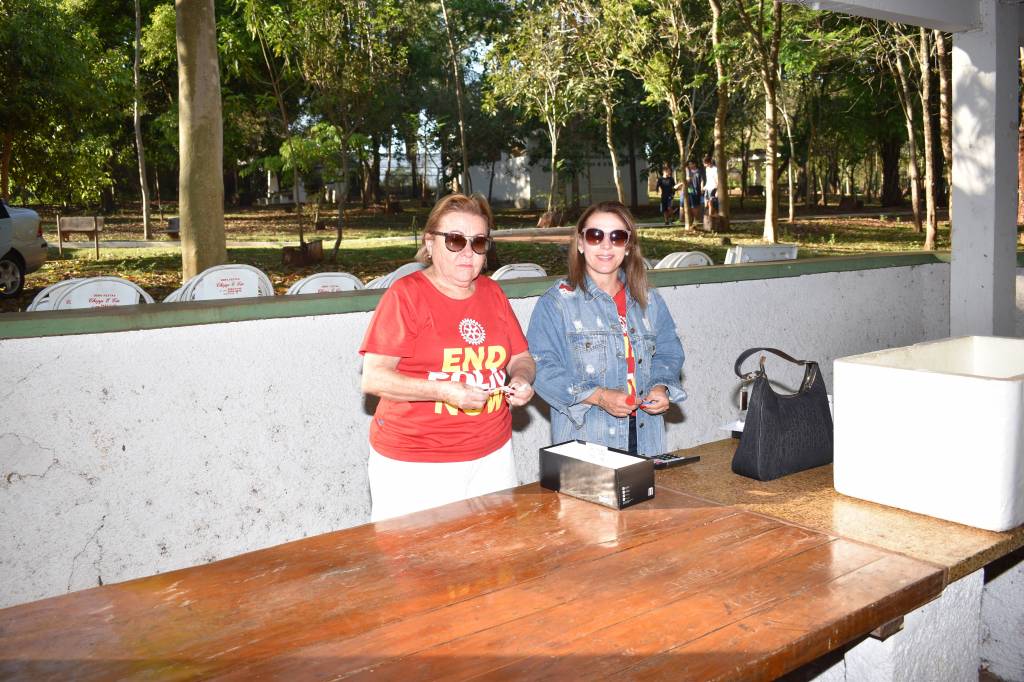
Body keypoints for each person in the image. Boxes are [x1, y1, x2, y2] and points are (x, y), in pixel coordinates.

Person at [359, 193, 536, 522]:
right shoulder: (406, 295)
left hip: (493, 453)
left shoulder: (493, 293)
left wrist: (522, 379)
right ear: (430, 243)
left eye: (478, 242)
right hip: (418, 460)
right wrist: (444, 391)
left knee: (493, 549)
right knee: (421, 554)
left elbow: (520, 356)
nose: (468, 252)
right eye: (455, 240)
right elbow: (374, 378)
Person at [527, 201, 686, 456]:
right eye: (595, 235)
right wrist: (598, 396)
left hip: (645, 435)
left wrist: (660, 386)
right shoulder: (557, 302)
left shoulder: (649, 300)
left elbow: (668, 352)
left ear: (628, 246)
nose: (606, 245)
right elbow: (540, 367)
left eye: (617, 237)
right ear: (580, 243)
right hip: (586, 438)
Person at [702, 155, 719, 226]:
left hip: (713, 188)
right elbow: (708, 179)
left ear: (708, 162)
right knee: (706, 204)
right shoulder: (707, 169)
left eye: (705, 163)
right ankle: (714, 215)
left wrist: (717, 190)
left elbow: (717, 180)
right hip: (708, 188)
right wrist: (705, 186)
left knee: (711, 203)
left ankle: (710, 218)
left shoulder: (715, 169)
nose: (704, 165)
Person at [685, 159, 703, 225]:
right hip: (690, 190)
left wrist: (701, 188)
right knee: (692, 205)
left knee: (697, 205)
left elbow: (702, 180)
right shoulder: (688, 172)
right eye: (689, 164)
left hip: (698, 190)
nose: (689, 165)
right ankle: (693, 219)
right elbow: (687, 181)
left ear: (694, 164)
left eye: (691, 164)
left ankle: (697, 219)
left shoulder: (699, 172)